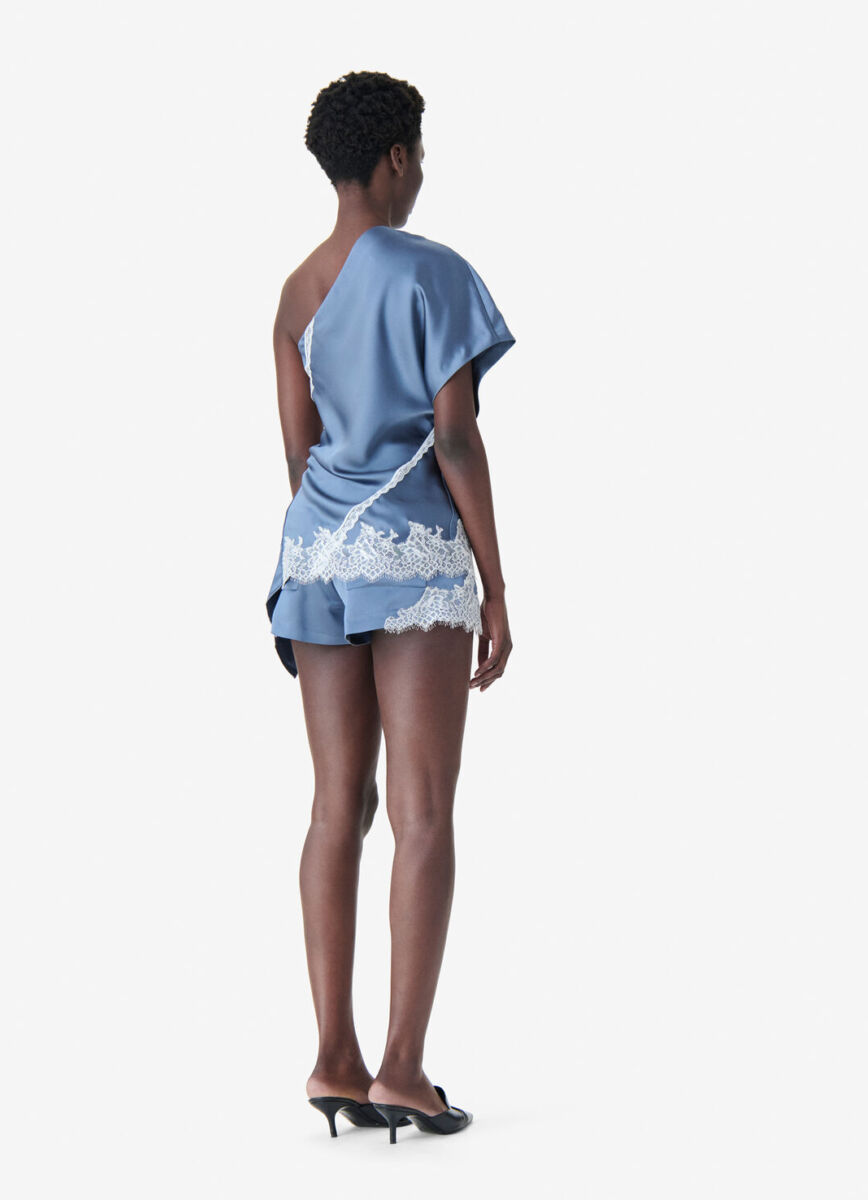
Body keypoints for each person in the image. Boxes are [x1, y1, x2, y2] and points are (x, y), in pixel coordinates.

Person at [264, 70, 516, 1143]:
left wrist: (331, 536)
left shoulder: (295, 292)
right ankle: (403, 1071)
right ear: (396, 158)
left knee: (337, 809)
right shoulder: (429, 269)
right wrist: (495, 581)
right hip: (412, 556)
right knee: (423, 813)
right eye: (420, 155)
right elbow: (453, 433)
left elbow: (298, 454)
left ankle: (334, 1057)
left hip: (315, 557)